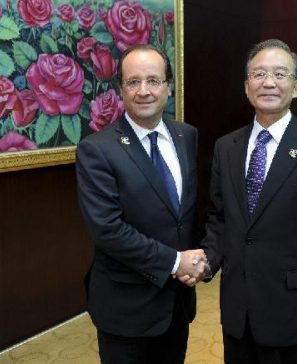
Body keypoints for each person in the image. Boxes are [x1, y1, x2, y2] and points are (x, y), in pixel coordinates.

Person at [201, 39, 297, 364]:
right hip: (238, 308)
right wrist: (207, 261)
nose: (268, 82)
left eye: (280, 74)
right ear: (246, 86)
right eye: (258, 74)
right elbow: (219, 218)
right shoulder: (226, 147)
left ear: (296, 87)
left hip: (295, 307)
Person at [76, 44, 207, 364]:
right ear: (121, 89)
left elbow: (187, 213)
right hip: (126, 306)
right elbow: (108, 230)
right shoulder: (97, 149)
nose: (144, 91)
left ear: (169, 86)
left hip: (176, 303)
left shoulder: (186, 136)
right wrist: (177, 262)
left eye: (154, 80)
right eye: (133, 82)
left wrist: (203, 257)